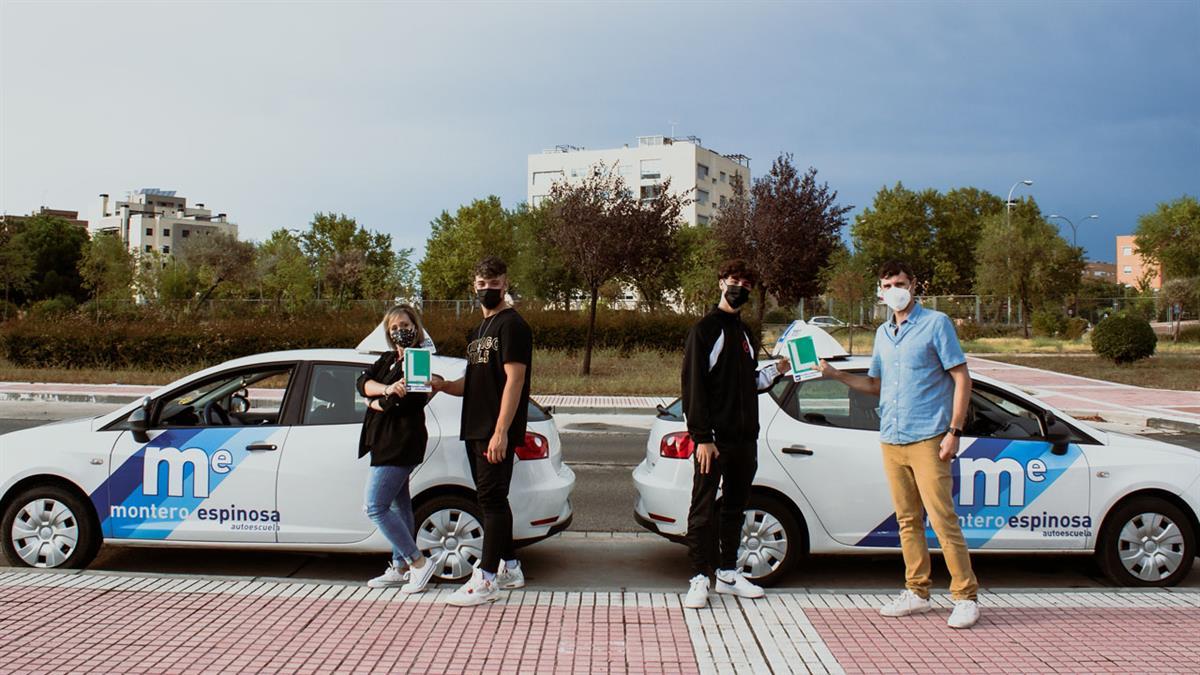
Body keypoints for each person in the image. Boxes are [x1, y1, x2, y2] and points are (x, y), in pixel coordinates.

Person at [819, 260, 980, 629]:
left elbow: (961, 378)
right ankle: (917, 591)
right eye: (888, 284)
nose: (895, 289)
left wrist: (954, 431)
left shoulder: (935, 324)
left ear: (914, 285)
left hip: (929, 437)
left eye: (901, 283)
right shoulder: (882, 333)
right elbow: (875, 384)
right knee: (907, 521)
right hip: (891, 438)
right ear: (880, 290)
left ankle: (965, 596)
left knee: (942, 520)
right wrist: (836, 375)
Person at [680, 259, 789, 610]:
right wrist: (702, 437)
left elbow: (749, 382)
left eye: (745, 281)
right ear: (720, 283)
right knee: (702, 510)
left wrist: (777, 371)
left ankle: (727, 573)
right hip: (714, 441)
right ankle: (699, 577)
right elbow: (693, 385)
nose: (739, 286)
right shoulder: (706, 330)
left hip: (745, 440)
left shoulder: (744, 333)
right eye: (733, 279)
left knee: (734, 509)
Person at [432, 256, 532, 606]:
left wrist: (502, 430)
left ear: (505, 284)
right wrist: (443, 386)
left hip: (494, 431)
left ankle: (486, 578)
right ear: (474, 286)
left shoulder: (512, 326)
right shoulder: (477, 332)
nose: (487, 290)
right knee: (491, 499)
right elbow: (474, 383)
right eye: (481, 285)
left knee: (491, 501)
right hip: (474, 429)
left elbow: (514, 379)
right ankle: (511, 567)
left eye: (493, 284)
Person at [357, 304, 442, 594]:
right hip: (383, 441)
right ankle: (400, 566)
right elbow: (361, 383)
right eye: (394, 328)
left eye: (405, 326)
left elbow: (408, 403)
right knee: (399, 504)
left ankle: (418, 563)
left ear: (415, 327)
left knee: (375, 506)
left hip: (401, 443)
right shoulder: (388, 359)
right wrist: (384, 390)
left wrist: (376, 401)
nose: (400, 332)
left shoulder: (418, 360)